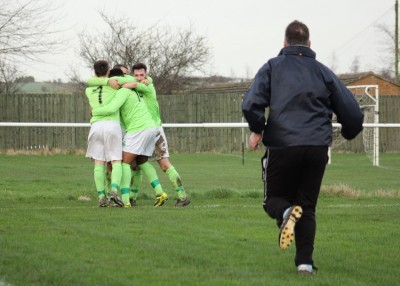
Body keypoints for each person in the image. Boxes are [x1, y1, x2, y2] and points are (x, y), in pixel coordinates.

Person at [241, 20, 364, 275]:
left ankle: (286, 212)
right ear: (309, 44)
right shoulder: (322, 71)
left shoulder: (272, 67)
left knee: (272, 200)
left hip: (283, 144)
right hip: (317, 147)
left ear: (284, 43)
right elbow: (352, 112)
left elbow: (251, 103)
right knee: (306, 205)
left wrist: (258, 128)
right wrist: (350, 131)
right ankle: (305, 265)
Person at [90, 69, 168, 207]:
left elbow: (111, 108)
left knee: (124, 163)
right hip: (150, 127)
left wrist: (94, 112)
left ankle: (125, 201)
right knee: (142, 161)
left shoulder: (122, 91)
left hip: (138, 129)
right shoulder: (133, 87)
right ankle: (160, 192)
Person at [131, 63, 190, 207]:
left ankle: (182, 196)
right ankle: (132, 198)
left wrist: (148, 80)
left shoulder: (148, 86)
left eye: (142, 75)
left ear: (146, 74)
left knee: (164, 164)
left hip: (155, 130)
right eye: (136, 75)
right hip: (141, 130)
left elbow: (129, 83)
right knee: (136, 164)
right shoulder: (135, 87)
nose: (139, 78)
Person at [85, 60, 124, 207]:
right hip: (112, 124)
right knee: (115, 161)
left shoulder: (88, 90)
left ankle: (101, 196)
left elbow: (91, 83)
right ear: (108, 71)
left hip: (95, 125)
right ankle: (114, 190)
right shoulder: (115, 86)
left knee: (98, 163)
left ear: (94, 72)